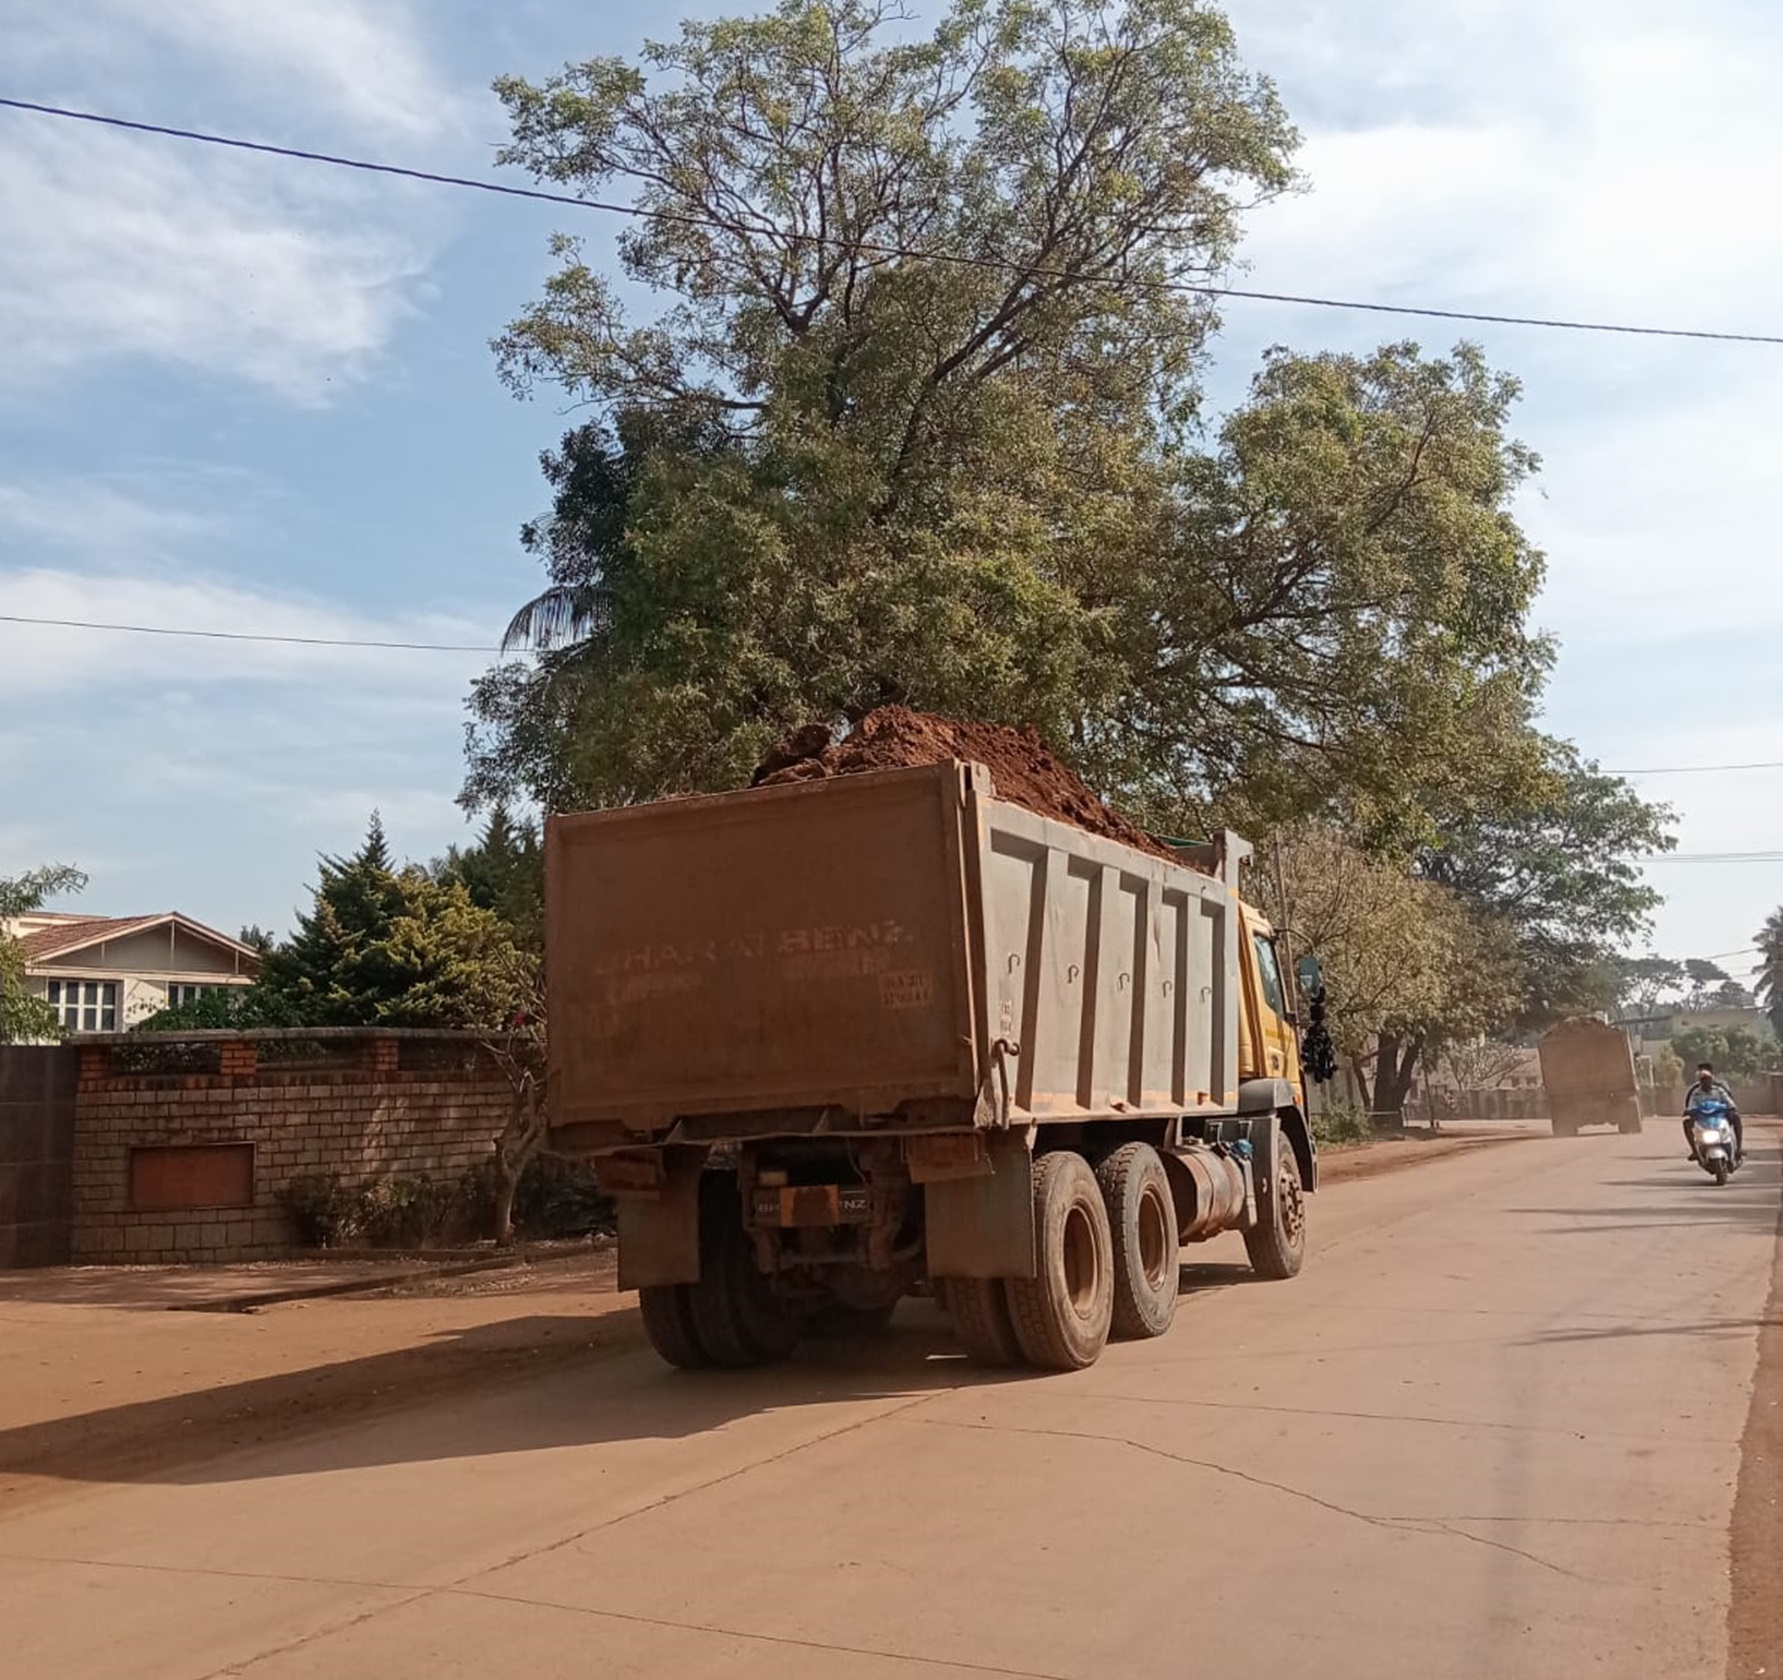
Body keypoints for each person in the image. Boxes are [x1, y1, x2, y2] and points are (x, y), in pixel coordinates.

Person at [1683, 1062, 1743, 1163]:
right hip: (1702, 1118)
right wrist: (1690, 1112)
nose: (1705, 1081)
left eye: (1707, 1078)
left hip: (1720, 1117)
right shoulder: (1695, 1091)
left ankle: (1738, 1148)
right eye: (1702, 1078)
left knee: (1736, 1118)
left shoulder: (1720, 1088)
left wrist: (1731, 1108)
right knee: (1686, 1123)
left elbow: (1729, 1100)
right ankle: (1695, 1151)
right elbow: (1690, 1104)